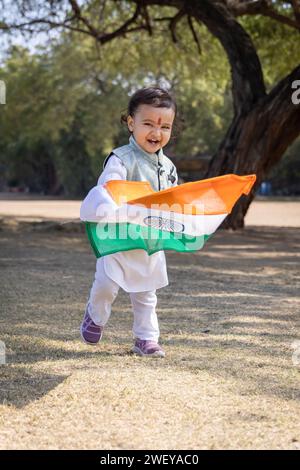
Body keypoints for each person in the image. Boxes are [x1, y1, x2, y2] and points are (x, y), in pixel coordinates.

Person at [80, 86, 179, 357]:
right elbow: (108, 187)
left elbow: (171, 198)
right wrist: (112, 203)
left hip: (148, 239)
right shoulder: (121, 158)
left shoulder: (168, 167)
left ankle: (146, 339)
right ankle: (95, 316)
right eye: (148, 123)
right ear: (131, 122)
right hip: (118, 237)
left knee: (147, 293)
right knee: (106, 285)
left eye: (165, 126)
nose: (157, 133)